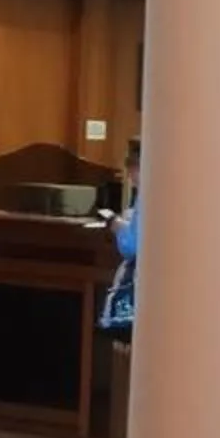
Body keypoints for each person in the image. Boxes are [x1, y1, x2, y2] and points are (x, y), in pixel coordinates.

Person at [98, 140, 141, 339]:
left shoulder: (147, 196)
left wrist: (118, 227)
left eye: (132, 172)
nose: (131, 179)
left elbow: (132, 246)